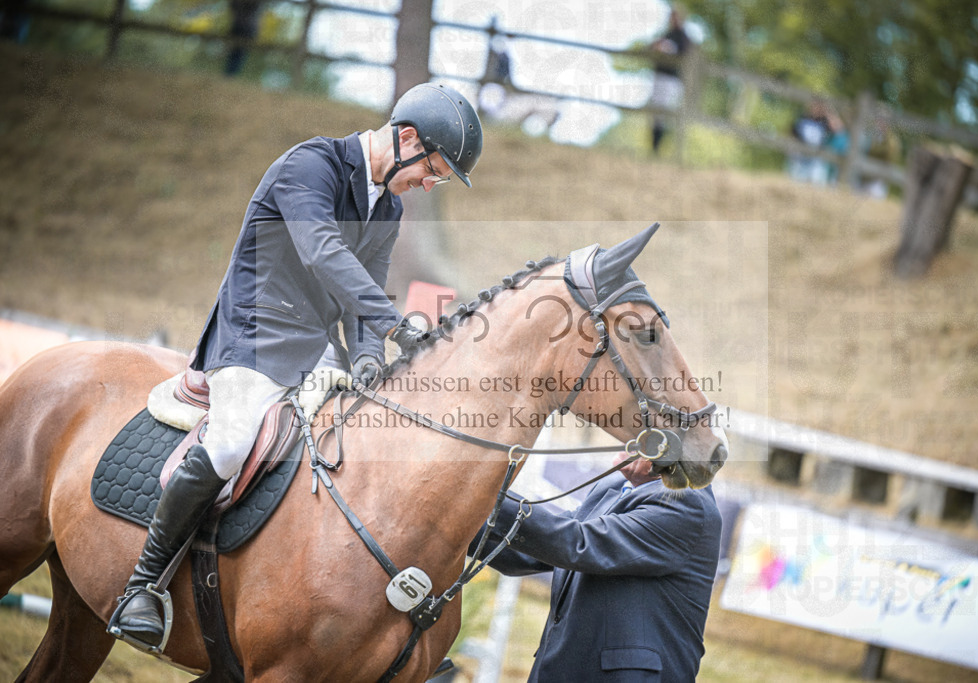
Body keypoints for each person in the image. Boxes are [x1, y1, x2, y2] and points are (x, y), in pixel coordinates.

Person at [108, 82, 484, 648]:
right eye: (433, 170)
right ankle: (143, 585)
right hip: (253, 335)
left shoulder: (387, 208)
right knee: (232, 442)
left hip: (316, 349)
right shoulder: (309, 167)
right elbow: (322, 252)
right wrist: (395, 324)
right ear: (407, 138)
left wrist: (368, 357)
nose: (429, 184)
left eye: (439, 179)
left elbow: (365, 293)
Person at [479, 453, 722, 682]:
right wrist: (462, 525)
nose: (627, 438)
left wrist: (481, 496)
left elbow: (577, 543)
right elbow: (534, 552)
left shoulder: (685, 502)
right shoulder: (613, 487)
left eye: (643, 432)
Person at [648, 8, 691, 154]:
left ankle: (660, 147)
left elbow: (683, 54)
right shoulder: (667, 34)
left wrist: (667, 48)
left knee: (665, 113)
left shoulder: (683, 37)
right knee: (656, 112)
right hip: (660, 76)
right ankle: (654, 147)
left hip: (671, 79)